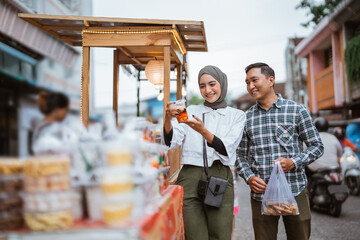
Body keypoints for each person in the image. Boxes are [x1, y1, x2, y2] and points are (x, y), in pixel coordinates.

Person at [236, 63, 324, 240]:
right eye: (247, 82)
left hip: (295, 190)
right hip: (260, 195)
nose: (250, 86)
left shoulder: (297, 111)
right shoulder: (246, 118)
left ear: (271, 80)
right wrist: (249, 177)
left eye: (254, 80)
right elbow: (239, 155)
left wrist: (294, 162)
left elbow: (317, 146)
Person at [163, 65, 246, 240]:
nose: (207, 90)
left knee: (220, 234)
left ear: (222, 83)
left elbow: (227, 148)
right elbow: (173, 140)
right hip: (190, 175)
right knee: (193, 234)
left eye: (212, 84)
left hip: (219, 175)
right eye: (202, 86)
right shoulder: (190, 111)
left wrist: (203, 131)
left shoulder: (237, 115)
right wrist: (168, 119)